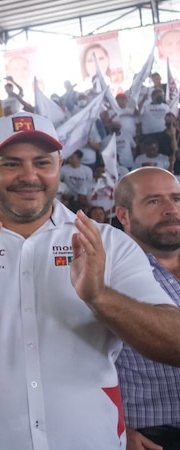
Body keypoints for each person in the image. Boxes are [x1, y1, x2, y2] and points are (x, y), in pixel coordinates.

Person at [0, 111, 180, 449]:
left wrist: (100, 297)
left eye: (42, 163)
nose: (29, 176)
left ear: (59, 166)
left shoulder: (107, 244)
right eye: (11, 164)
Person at [114, 167, 180, 450]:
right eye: (154, 201)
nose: (170, 209)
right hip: (150, 436)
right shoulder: (104, 273)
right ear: (124, 215)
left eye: (176, 198)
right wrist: (115, 428)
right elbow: (77, 364)